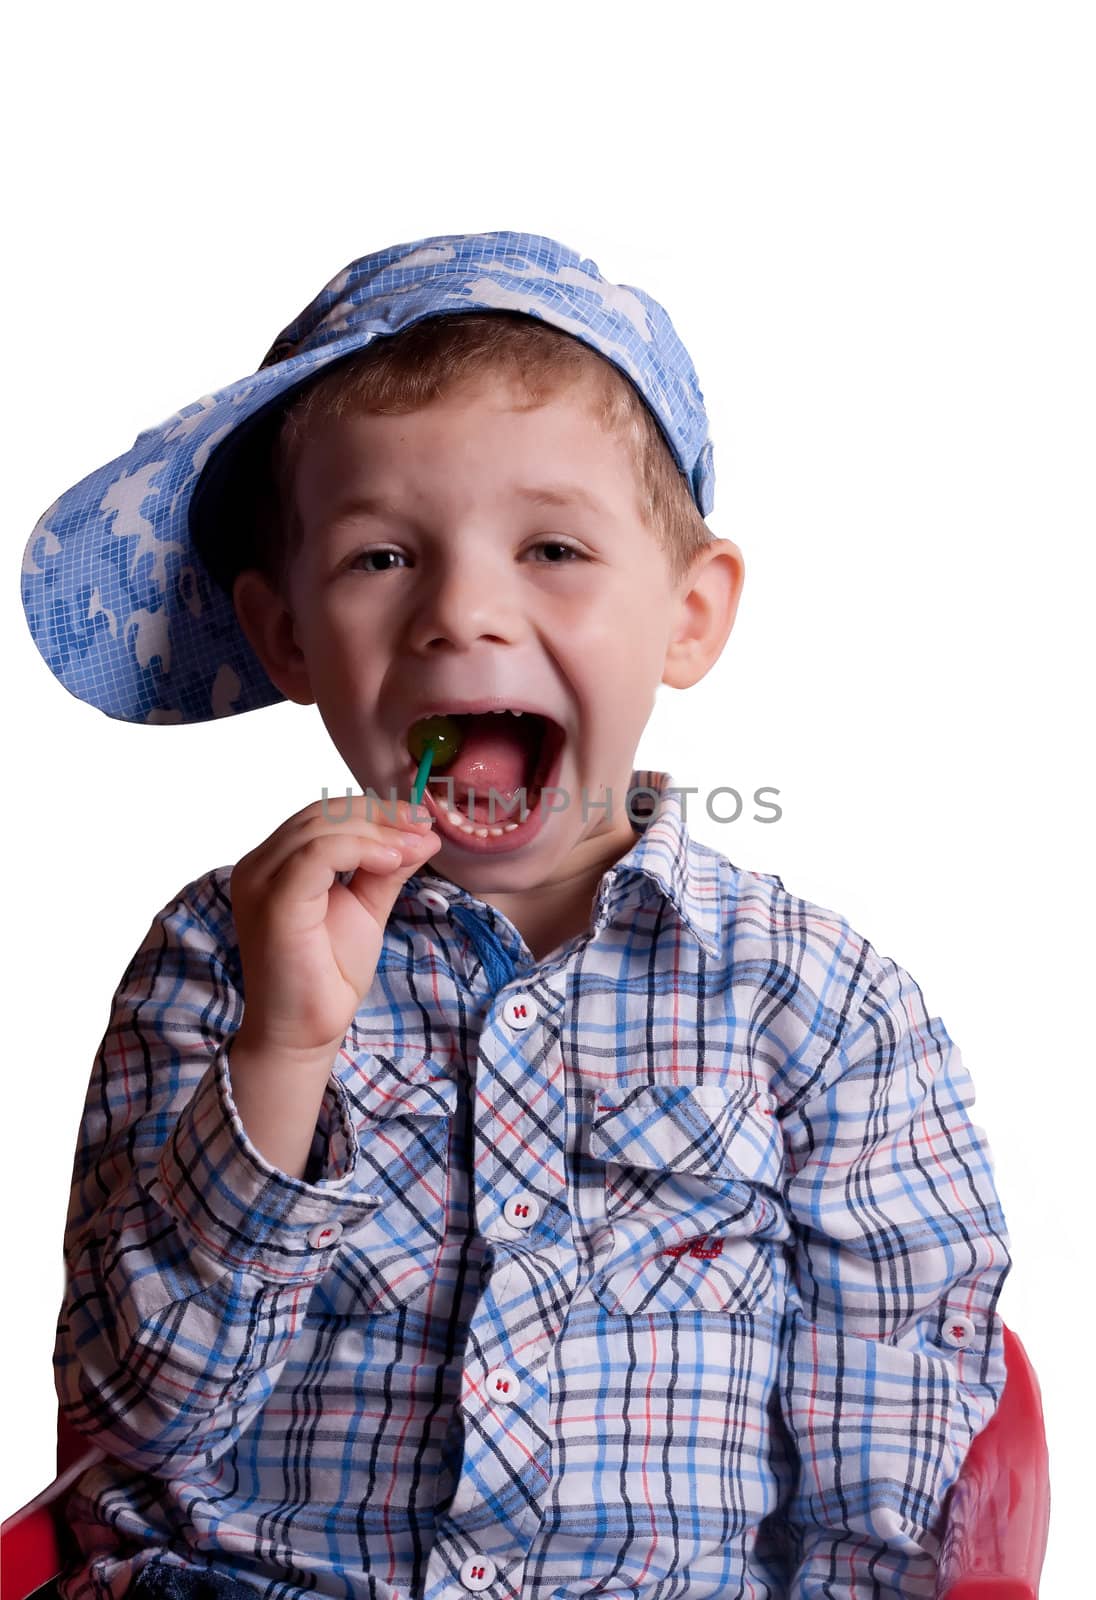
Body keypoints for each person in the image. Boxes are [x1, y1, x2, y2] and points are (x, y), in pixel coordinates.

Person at [21, 231, 1011, 1600]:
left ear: (689, 615)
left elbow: (890, 1452)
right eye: (379, 558)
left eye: (551, 547)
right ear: (288, 634)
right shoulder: (218, 961)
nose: (462, 612)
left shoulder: (820, 1004)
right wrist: (285, 1057)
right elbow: (131, 1421)